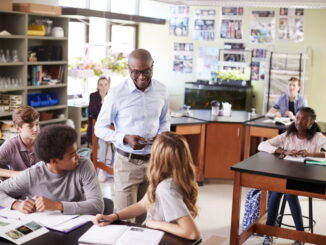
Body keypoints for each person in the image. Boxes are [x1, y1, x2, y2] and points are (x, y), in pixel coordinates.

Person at [95, 48, 170, 223]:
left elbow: (165, 120)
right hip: (126, 164)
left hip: (153, 162)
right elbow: (100, 128)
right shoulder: (116, 92)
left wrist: (162, 135)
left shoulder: (162, 90)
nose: (142, 77)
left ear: (153, 67)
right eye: (136, 72)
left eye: (146, 71)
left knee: (142, 217)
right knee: (123, 220)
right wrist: (123, 138)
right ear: (129, 69)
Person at [92, 132, 201, 241]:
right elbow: (141, 205)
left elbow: (192, 233)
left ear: (158, 158)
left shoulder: (166, 188)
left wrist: (155, 224)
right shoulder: (172, 178)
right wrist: (114, 216)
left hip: (161, 238)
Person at [0, 124, 104, 215]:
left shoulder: (84, 165)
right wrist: (16, 205)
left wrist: (58, 205)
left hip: (76, 227)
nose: (78, 157)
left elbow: (97, 205)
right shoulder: (32, 174)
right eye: (72, 155)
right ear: (54, 161)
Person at [258, 107, 326, 245]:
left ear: (311, 123)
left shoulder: (317, 137)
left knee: (284, 190)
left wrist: (311, 154)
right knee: (280, 189)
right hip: (288, 177)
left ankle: (274, 233)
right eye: (298, 117)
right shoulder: (288, 135)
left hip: (308, 179)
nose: (299, 121)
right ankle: (295, 235)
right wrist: (283, 151)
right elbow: (262, 145)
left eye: (304, 119)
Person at [0, 105, 40, 178]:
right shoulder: (11, 144)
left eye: (37, 124)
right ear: (18, 128)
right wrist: (14, 174)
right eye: (30, 126)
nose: (36, 129)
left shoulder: (45, 141)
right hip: (20, 187)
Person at [87, 76, 111, 167]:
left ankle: (109, 166)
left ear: (108, 86)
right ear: (98, 86)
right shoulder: (93, 96)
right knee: (103, 144)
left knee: (118, 144)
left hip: (109, 126)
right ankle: (101, 167)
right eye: (101, 85)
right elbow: (93, 112)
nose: (104, 87)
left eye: (105, 85)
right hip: (96, 126)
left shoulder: (111, 96)